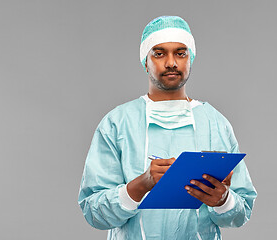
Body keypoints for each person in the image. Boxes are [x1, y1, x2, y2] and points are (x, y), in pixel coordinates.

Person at [78, 16, 257, 240]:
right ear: (145, 61)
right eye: (159, 53)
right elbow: (93, 211)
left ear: (190, 59)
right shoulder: (117, 123)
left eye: (180, 53)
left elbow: (242, 211)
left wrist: (222, 200)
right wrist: (142, 184)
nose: (171, 62)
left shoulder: (215, 124)